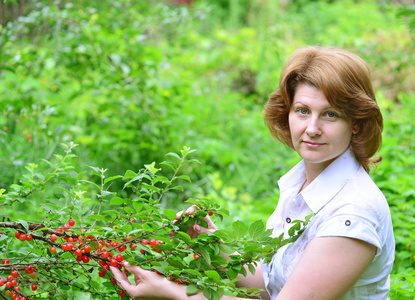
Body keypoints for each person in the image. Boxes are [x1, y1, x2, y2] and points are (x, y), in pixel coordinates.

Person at [111, 46, 395, 300]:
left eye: (330, 114)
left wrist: (175, 295)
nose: (312, 128)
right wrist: (211, 246)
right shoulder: (304, 185)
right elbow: (271, 287)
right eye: (303, 110)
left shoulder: (353, 212)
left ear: (356, 123)